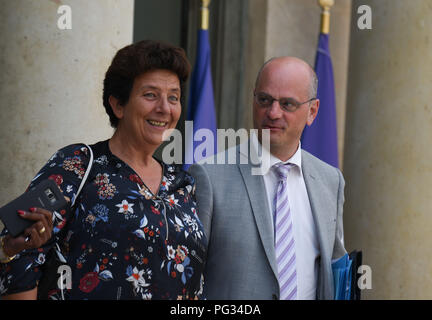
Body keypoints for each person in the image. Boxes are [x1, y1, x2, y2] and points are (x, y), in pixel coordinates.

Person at [0, 40, 207, 300]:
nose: (164, 108)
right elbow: (19, 253)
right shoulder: (77, 165)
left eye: (173, 97)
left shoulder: (182, 183)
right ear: (118, 105)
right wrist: (13, 248)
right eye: (150, 95)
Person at [189, 56, 346, 300]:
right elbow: (188, 280)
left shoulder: (330, 181)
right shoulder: (209, 176)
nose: (273, 113)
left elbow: (335, 271)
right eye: (265, 100)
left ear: (312, 111)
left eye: (287, 104)